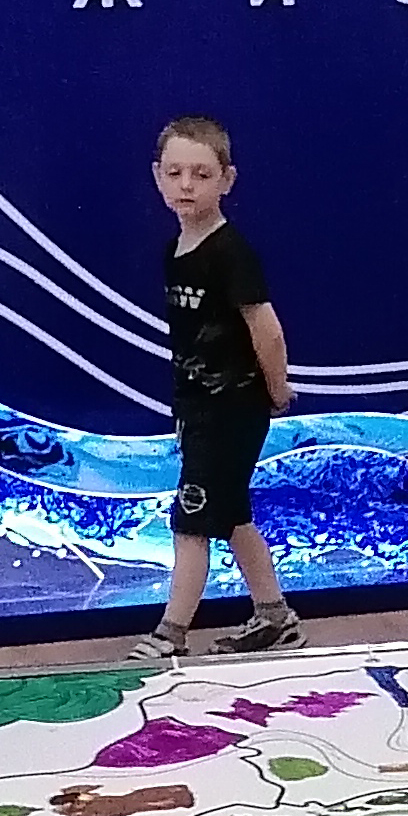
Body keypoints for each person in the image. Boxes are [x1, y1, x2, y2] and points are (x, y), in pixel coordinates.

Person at [134, 116, 300, 660]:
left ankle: (171, 634)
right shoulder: (174, 250)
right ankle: (275, 617)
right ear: (158, 177)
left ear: (227, 180)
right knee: (232, 515)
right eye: (175, 173)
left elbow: (266, 330)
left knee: (191, 520)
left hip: (232, 409)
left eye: (201, 174)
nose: (186, 185)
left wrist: (276, 390)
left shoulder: (231, 254)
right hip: (198, 407)